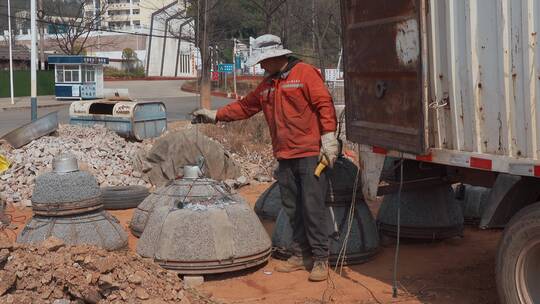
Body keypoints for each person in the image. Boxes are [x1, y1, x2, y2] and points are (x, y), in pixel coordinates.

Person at [193, 34, 338, 282]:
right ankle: (300, 254)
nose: (260, 66)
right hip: (284, 155)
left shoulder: (304, 73)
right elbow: (245, 106)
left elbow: (324, 103)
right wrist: (215, 115)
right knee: (293, 208)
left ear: (275, 56)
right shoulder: (269, 84)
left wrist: (328, 136)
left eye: (262, 61)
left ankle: (321, 259)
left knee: (313, 207)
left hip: (310, 154)